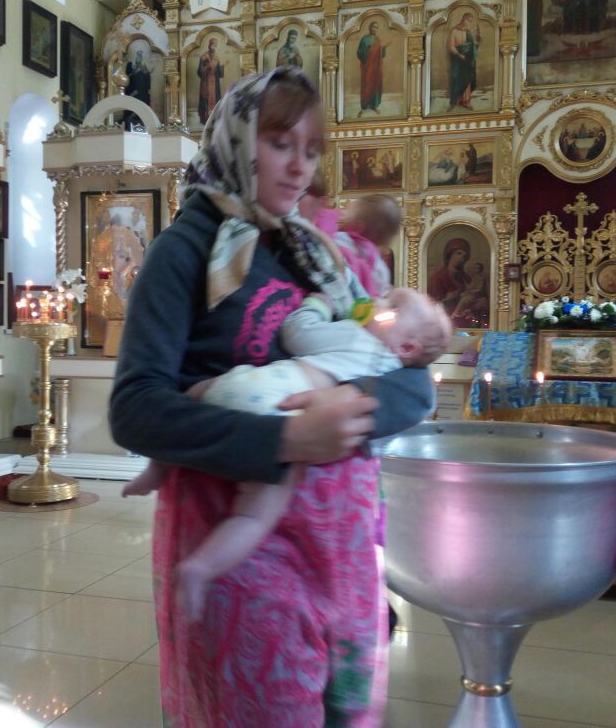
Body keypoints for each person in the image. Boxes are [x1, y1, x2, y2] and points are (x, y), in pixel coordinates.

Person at [109, 68, 433, 726]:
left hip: (339, 549)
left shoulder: (317, 254)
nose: (299, 167)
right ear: (236, 139)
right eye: (280, 144)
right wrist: (285, 438)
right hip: (239, 541)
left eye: (310, 151)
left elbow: (410, 376)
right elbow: (136, 407)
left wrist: (351, 411)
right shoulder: (185, 251)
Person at [123, 287, 451, 621]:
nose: (376, 301)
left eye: (391, 307)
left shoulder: (355, 335)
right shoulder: (389, 367)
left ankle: (157, 468)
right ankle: (200, 567)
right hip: (276, 407)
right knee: (255, 514)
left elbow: (297, 334)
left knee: (193, 395)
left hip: (249, 384)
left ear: (406, 347)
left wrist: (316, 305)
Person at [336, 194, 402, 297]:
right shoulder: (381, 268)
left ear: (359, 226)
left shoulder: (341, 239)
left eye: (348, 211)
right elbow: (379, 295)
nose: (343, 213)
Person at [447, 12, 480, 110]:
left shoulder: (468, 32)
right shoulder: (454, 31)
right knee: (456, 79)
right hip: (457, 59)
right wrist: (459, 54)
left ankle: (466, 101)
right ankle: (455, 101)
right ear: (463, 19)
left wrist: (478, 42)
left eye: (470, 21)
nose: (468, 23)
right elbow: (451, 46)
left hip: (467, 59)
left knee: (468, 79)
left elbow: (473, 46)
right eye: (468, 20)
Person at [357, 20, 387, 117]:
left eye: (376, 27)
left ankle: (374, 106)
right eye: (373, 27)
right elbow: (359, 53)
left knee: (375, 85)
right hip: (367, 68)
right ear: (370, 27)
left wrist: (383, 49)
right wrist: (368, 50)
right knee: (366, 85)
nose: (375, 29)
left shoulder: (378, 40)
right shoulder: (364, 39)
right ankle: (364, 107)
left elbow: (381, 55)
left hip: (376, 68)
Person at [197, 38, 225, 124]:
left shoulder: (217, 58)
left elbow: (220, 74)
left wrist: (221, 69)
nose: (213, 46)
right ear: (209, 45)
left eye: (215, 45)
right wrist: (206, 68)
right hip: (205, 82)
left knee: (215, 99)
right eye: (212, 44)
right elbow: (199, 72)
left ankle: (215, 119)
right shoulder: (203, 57)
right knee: (205, 99)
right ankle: (205, 119)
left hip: (214, 83)